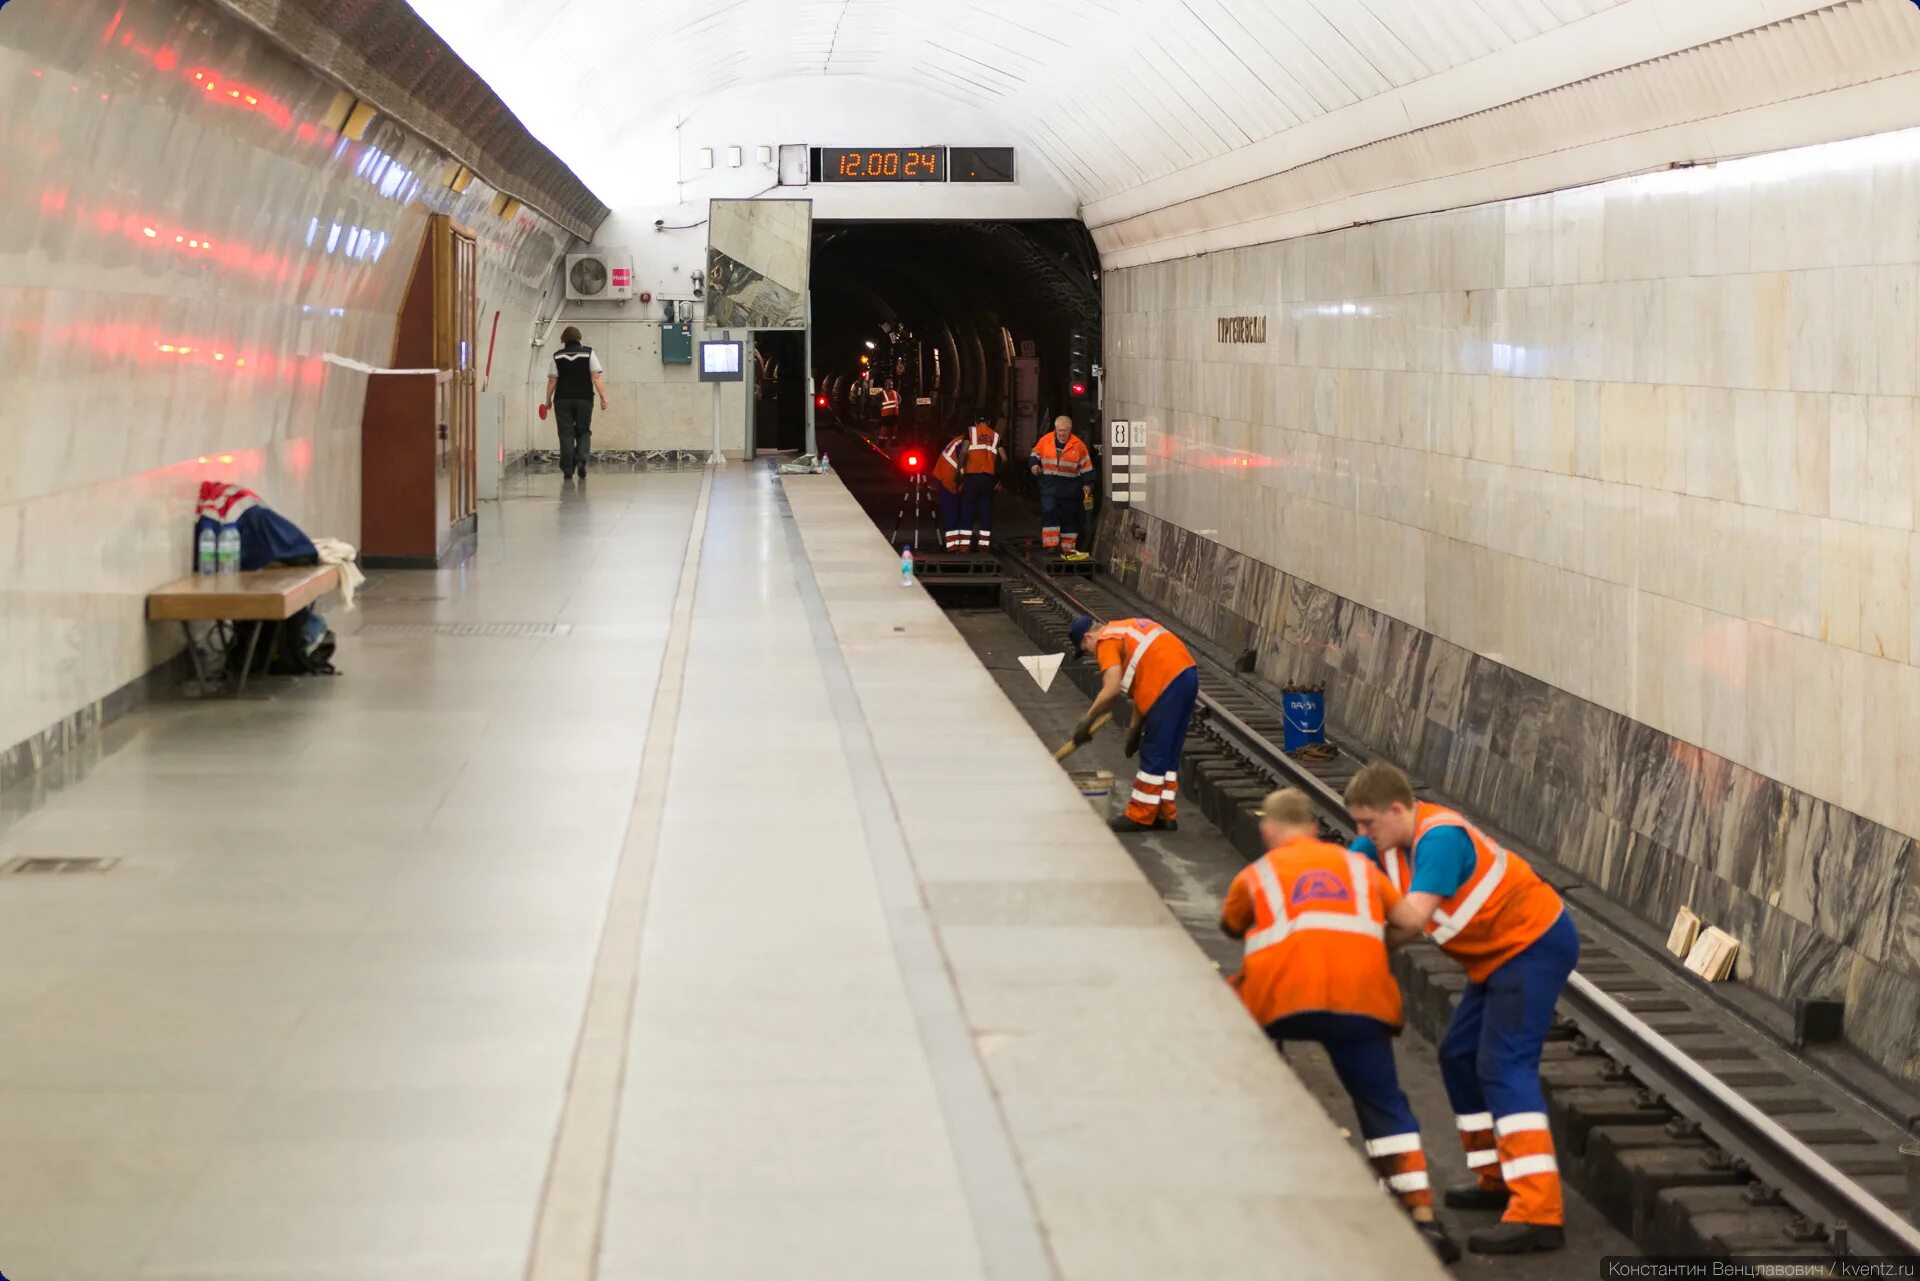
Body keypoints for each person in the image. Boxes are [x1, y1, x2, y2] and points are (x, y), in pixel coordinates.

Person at [1344, 762, 1578, 1255]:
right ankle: (1496, 1177)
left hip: (1531, 946)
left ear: (1396, 809)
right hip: (1495, 956)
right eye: (1357, 824)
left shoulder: (1440, 839)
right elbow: (1342, 879)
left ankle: (1538, 1213)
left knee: (1503, 1066)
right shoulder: (1380, 845)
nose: (1361, 834)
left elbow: (1409, 921)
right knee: (1458, 1056)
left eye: (1369, 823)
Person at [1220, 788, 1460, 1264]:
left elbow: (1232, 925)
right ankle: (1420, 1219)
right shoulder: (1359, 868)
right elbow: (1410, 919)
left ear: (1269, 830)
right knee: (1384, 1104)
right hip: (1360, 998)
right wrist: (1369, 944)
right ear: (1313, 828)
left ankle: (1268, 1195)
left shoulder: (1258, 874)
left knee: (1255, 1082)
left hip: (1282, 999)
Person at [1066, 613, 1197, 833]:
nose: (1091, 655)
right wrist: (1134, 731)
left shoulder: (1106, 641)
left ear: (1088, 638)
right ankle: (1164, 815)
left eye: (1086, 650)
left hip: (1165, 681)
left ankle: (1140, 815)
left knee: (1153, 750)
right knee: (1168, 751)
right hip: (1186, 675)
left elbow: (1111, 689)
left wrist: (1087, 721)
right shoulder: (1124, 630)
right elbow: (1141, 691)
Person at [546, 326, 608, 480]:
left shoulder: (557, 356)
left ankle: (568, 469)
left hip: (562, 399)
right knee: (583, 431)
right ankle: (581, 460)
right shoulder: (588, 353)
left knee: (565, 434)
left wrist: (547, 400)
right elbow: (596, 377)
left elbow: (553, 380)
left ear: (563, 340)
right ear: (579, 338)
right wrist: (603, 397)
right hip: (584, 399)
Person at [1029, 415, 1094, 559]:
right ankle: (1051, 545)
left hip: (1069, 489)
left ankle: (1068, 548)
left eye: (1065, 431)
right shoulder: (1045, 441)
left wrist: (1088, 485)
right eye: (1060, 430)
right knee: (1049, 511)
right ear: (1055, 429)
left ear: (1070, 430)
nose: (1062, 434)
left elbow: (1087, 467)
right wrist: (1034, 465)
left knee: (1069, 517)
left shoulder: (1078, 445)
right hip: (1049, 486)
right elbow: (1035, 454)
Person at [957, 416, 1001, 551]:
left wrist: (959, 469)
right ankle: (984, 546)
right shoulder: (996, 436)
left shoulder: (971, 432)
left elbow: (964, 451)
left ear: (975, 422)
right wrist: (999, 478)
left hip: (972, 477)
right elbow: (1004, 458)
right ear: (988, 422)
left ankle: (964, 546)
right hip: (988, 479)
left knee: (967, 509)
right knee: (986, 510)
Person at [931, 431, 967, 551]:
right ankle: (954, 547)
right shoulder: (966, 443)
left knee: (953, 513)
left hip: (946, 475)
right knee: (954, 513)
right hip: (950, 479)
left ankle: (954, 546)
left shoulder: (961, 439)